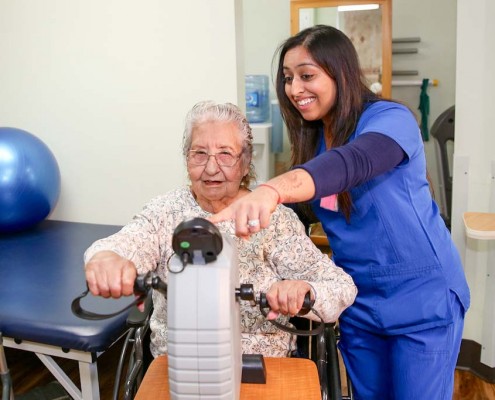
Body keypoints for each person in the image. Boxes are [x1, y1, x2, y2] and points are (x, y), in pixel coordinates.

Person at [209, 26, 470, 399]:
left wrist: (271, 190)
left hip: (421, 299)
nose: (295, 89)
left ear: (341, 72)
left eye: (307, 75)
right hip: (358, 302)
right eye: (288, 78)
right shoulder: (314, 141)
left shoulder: (390, 120)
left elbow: (353, 162)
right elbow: (293, 216)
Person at [84, 100, 357, 359]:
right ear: (186, 158)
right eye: (199, 153)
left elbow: (341, 288)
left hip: (260, 363)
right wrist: (107, 259)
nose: (211, 168)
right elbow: (122, 245)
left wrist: (305, 291)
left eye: (225, 154)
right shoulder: (164, 212)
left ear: (245, 162)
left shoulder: (275, 219)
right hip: (179, 363)